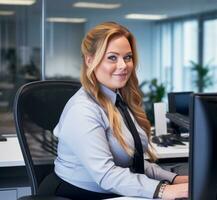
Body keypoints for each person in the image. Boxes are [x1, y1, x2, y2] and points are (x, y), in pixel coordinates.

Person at [53, 21, 188, 200]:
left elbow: (132, 162)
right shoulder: (83, 110)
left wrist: (173, 179)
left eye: (127, 57)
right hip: (81, 194)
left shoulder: (118, 100)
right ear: (90, 60)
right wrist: (163, 190)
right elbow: (107, 174)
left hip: (115, 189)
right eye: (112, 57)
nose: (123, 66)